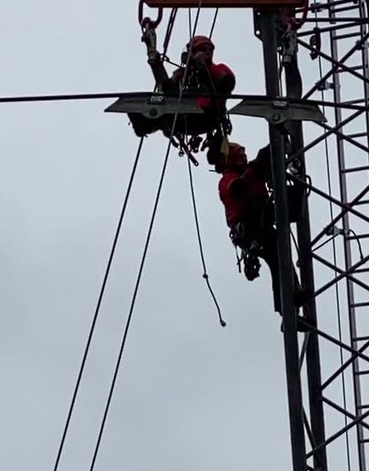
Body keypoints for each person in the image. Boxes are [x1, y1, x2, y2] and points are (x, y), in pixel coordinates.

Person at [214, 140, 304, 316]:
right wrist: (257, 166)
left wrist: (269, 161)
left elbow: (260, 174)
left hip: (261, 222)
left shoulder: (251, 174)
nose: (244, 158)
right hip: (249, 227)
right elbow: (238, 189)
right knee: (278, 257)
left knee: (280, 256)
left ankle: (293, 299)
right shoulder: (227, 180)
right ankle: (288, 306)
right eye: (240, 155)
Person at [129, 35, 236, 148]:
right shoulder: (182, 75)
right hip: (182, 118)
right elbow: (166, 88)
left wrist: (202, 68)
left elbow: (226, 84)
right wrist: (156, 62)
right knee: (156, 98)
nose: (207, 52)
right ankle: (144, 122)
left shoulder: (218, 69)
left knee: (174, 98)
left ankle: (153, 121)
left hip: (207, 117)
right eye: (202, 49)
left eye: (209, 50)